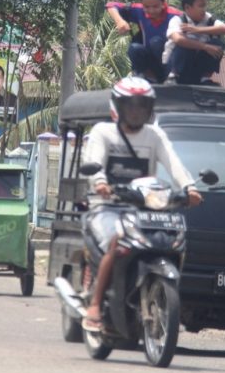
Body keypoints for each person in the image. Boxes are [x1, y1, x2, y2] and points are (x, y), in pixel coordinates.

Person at [81, 76, 202, 332]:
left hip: (144, 209)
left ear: (149, 109)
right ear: (118, 106)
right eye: (130, 105)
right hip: (106, 206)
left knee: (169, 239)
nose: (136, 111)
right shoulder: (103, 133)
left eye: (141, 106)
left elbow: (174, 163)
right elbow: (94, 164)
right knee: (117, 240)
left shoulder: (154, 135)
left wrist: (190, 188)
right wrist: (101, 183)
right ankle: (94, 304)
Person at [106, 0, 182, 83]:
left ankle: (171, 78)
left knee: (156, 42)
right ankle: (146, 77)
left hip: (171, 63)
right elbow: (111, 5)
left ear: (163, 3)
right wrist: (120, 21)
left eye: (155, 6)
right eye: (146, 7)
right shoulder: (139, 11)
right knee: (134, 48)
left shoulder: (176, 16)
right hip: (151, 62)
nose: (151, 11)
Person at [164, 0, 225, 86]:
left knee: (217, 43)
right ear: (187, 7)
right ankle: (173, 76)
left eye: (205, 6)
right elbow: (178, 40)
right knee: (184, 43)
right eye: (200, 6)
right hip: (176, 67)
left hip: (196, 68)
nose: (204, 9)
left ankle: (205, 78)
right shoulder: (178, 20)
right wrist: (205, 46)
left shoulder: (209, 19)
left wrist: (197, 30)